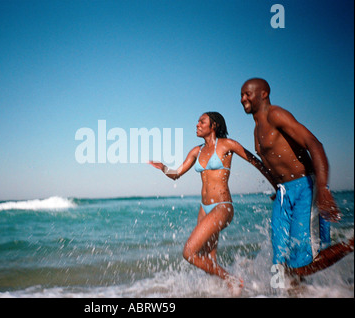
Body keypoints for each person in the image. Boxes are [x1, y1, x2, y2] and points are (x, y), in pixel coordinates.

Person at [240, 78, 354, 280]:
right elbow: (272, 165)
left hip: (305, 188)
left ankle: (352, 243)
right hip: (284, 193)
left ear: (263, 94)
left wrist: (322, 188)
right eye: (241, 95)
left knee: (302, 264)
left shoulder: (275, 114)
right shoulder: (256, 129)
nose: (243, 99)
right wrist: (278, 188)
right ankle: (285, 293)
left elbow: (314, 143)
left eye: (247, 94)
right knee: (279, 260)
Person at [149, 111, 276, 291]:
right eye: (197, 122)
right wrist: (162, 167)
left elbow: (255, 162)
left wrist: (277, 187)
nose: (197, 125)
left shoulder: (227, 145)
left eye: (202, 122)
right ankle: (222, 292)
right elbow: (176, 174)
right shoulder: (196, 150)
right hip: (204, 208)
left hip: (222, 206)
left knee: (189, 252)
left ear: (213, 125)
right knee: (208, 260)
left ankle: (231, 278)